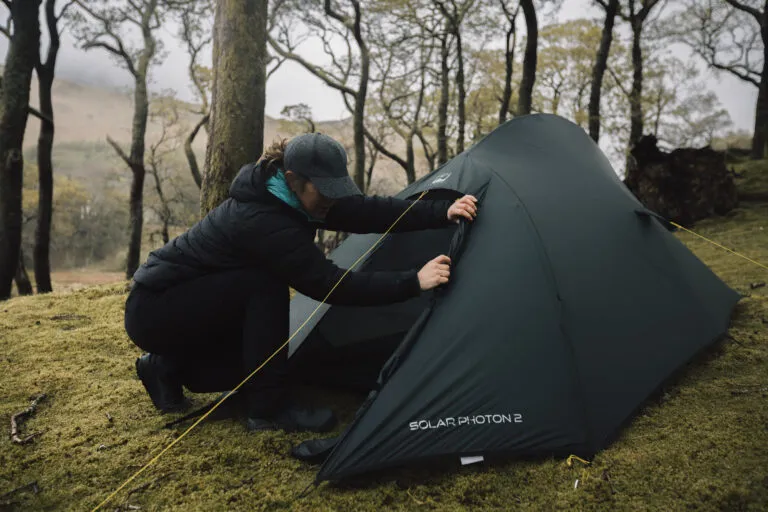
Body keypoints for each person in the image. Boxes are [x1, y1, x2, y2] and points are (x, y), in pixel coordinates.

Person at [124, 132, 478, 433]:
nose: (331, 200)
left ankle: (163, 367)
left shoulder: (300, 198)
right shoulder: (263, 219)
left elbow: (366, 210)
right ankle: (267, 410)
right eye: (324, 192)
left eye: (335, 190)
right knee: (265, 286)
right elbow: (328, 284)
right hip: (158, 308)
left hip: (196, 304)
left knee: (240, 369)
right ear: (293, 177)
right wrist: (412, 282)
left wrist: (439, 211)